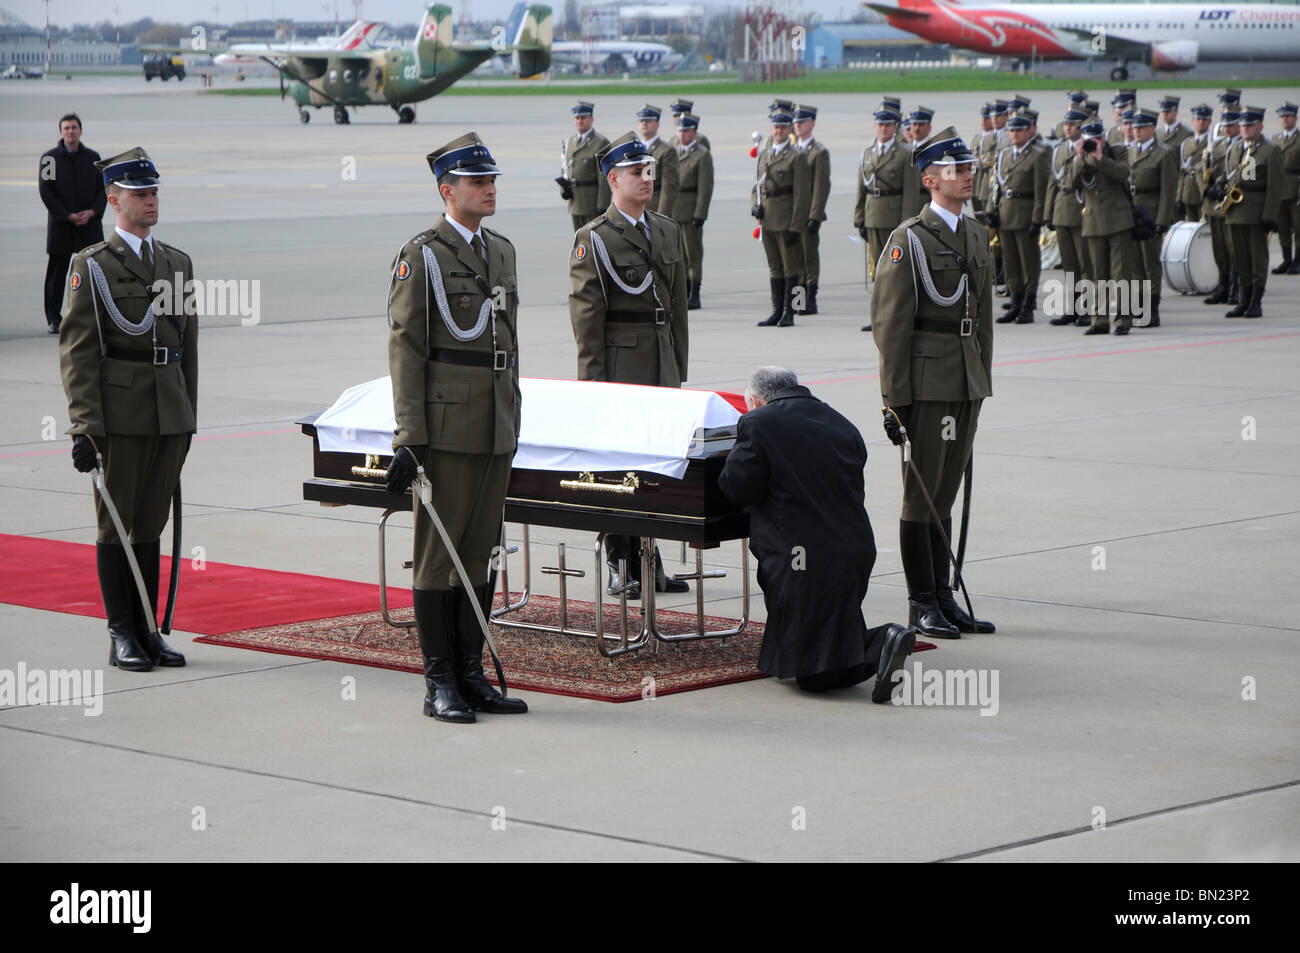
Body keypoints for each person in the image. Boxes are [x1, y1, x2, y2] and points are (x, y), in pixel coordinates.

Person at [384, 132, 528, 724]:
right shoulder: (421, 256)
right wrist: (410, 438)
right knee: (437, 557)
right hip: (444, 431)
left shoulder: (503, 252)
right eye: (477, 181)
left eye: (492, 180)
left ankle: (472, 674)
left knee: (481, 554)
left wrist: (512, 414)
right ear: (448, 190)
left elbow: (507, 345)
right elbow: (406, 349)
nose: (489, 189)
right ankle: (438, 681)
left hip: (495, 424)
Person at [59, 146, 195, 672]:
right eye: (140, 193)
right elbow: (79, 351)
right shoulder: (91, 266)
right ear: (114, 201)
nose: (151, 201)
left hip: (168, 413)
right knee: (116, 524)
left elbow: (188, 349)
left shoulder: (176, 263)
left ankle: (148, 629)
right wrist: (85, 427)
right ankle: (122, 633)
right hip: (120, 414)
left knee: (150, 524)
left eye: (154, 191)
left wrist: (189, 415)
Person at [717, 366, 916, 701]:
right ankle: (860, 647)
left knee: (814, 678)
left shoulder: (758, 422)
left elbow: (737, 488)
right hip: (853, 548)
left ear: (754, 399)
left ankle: (882, 642)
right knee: (826, 634)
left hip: (801, 556)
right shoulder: (840, 423)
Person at [870, 127, 996, 640]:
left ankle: (945, 597)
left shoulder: (973, 233)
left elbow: (982, 316)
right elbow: (890, 326)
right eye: (955, 169)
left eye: (968, 168)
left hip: (965, 381)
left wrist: (980, 377)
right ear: (929, 179)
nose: (967, 175)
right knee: (920, 498)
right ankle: (922, 601)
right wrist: (894, 401)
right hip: (925, 385)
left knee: (945, 492)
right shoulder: (909, 241)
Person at [569, 132, 690, 599]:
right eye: (637, 172)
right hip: (621, 368)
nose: (647, 178)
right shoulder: (593, 239)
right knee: (621, 472)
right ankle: (621, 561)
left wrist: (677, 367)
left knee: (654, 467)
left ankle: (650, 559)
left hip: (660, 365)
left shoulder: (667, 230)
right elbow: (587, 322)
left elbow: (676, 308)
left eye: (650, 171)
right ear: (613, 179)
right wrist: (593, 389)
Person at [1064, 120, 1141, 336]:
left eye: (1096, 139)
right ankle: (1100, 320)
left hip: (1119, 220)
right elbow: (1070, 184)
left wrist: (1099, 157)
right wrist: (1081, 158)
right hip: (1093, 222)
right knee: (1099, 275)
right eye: (1089, 140)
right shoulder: (1079, 156)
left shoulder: (1117, 151)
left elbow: (1123, 173)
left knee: (1121, 273)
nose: (1092, 143)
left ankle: (1123, 320)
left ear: (1103, 137)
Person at [854, 105, 921, 332]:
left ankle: (899, 316)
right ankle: (879, 316)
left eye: (888, 125)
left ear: (895, 128)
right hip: (873, 216)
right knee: (878, 271)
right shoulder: (867, 153)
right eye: (880, 124)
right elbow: (861, 189)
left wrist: (906, 224)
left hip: (894, 219)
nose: (883, 128)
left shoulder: (905, 153)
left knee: (898, 270)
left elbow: (911, 194)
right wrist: (859, 218)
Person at [39, 113, 106, 334]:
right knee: (57, 274)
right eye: (66, 128)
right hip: (62, 226)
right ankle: (53, 318)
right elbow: (46, 192)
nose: (70, 132)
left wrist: (93, 212)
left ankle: (90, 314)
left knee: (91, 270)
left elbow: (103, 189)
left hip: (89, 225)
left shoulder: (94, 158)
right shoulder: (49, 159)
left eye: (74, 128)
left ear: (81, 131)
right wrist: (66, 215)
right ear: (61, 132)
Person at [1222, 106, 1283, 318]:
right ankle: (1243, 299)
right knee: (1239, 258)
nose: (1245, 128)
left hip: (1257, 212)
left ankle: (1256, 301)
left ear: (1260, 125)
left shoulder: (1270, 150)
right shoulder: (1236, 148)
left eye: (1250, 125)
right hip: (1235, 211)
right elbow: (1231, 175)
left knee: (1257, 258)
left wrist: (1270, 214)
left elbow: (1276, 187)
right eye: (1243, 125)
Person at [752, 105, 809, 327]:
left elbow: (802, 195)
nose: (778, 131)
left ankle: (792, 311)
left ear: (789, 130)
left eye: (782, 127)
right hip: (767, 219)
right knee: (775, 266)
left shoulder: (796, 157)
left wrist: (796, 226)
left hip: (786, 219)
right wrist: (754, 206)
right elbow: (756, 186)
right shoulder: (765, 154)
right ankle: (777, 310)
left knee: (792, 268)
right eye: (775, 127)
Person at [992, 108, 1050, 324]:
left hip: (1026, 215)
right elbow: (997, 185)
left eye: (1019, 130)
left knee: (1028, 262)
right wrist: (994, 210)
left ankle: (1028, 304)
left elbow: (1041, 190)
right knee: (1011, 261)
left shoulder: (1038, 155)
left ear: (1029, 131)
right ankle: (1015, 302)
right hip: (1006, 213)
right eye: (1012, 130)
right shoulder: (1005, 154)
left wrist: (1038, 219)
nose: (1014, 134)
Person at [1127, 107, 1178, 327]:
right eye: (1134, 127)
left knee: (1150, 264)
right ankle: (1140, 307)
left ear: (1151, 128)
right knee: (1135, 264)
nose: (1136, 131)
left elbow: (1168, 190)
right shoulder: (1130, 151)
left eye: (1141, 127)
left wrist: (1162, 221)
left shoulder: (1163, 153)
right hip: (1131, 214)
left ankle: (1153, 308)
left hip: (1151, 214)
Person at [1045, 108, 1091, 326]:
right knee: (1069, 264)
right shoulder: (1060, 149)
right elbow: (1052, 184)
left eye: (1073, 125)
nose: (1068, 128)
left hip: (1080, 208)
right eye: (1067, 124)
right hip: (1062, 209)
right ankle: (1072, 308)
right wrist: (1048, 214)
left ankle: (1087, 308)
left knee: (1085, 264)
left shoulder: (1087, 148)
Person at [669, 112, 712, 311]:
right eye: (680, 130)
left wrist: (700, 213)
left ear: (694, 132)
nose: (682, 134)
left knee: (693, 254)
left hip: (691, 210)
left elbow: (705, 187)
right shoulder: (673, 152)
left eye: (686, 131)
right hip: (674, 210)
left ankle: (695, 293)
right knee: (679, 255)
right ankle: (683, 291)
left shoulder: (701, 154)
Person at [1202, 109, 1242, 306]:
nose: (1227, 129)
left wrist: (1224, 187)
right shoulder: (1216, 146)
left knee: (1233, 248)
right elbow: (1203, 171)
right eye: (1225, 125)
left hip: (1233, 205)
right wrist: (1208, 188)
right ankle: (1223, 284)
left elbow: (1246, 176)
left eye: (1231, 125)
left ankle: (1236, 286)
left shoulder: (1245, 147)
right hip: (1214, 205)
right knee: (1219, 248)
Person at [793, 104, 830, 315]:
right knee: (794, 260)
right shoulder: (791, 150)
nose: (797, 125)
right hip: (792, 215)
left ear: (812, 124)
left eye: (802, 122)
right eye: (796, 122)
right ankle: (798, 301)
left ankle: (810, 299)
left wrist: (815, 216)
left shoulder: (818, 153)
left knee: (808, 258)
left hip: (808, 214)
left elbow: (821, 186)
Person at [557, 100, 610, 232]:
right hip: (575, 201)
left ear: (591, 119)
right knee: (579, 241)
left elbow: (604, 177)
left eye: (583, 117)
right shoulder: (571, 141)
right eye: (577, 117)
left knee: (593, 240)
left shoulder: (600, 142)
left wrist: (603, 205)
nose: (580, 121)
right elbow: (566, 167)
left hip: (591, 204)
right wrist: (563, 188)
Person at [1271, 102, 1299, 275]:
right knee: (1282, 227)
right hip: (1279, 189)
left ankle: (1298, 260)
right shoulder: (1274, 140)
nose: (1285, 119)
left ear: (1295, 118)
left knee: (1298, 227)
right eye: (1282, 116)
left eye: (1288, 116)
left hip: (1296, 188)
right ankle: (1286, 259)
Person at [636, 104, 678, 216]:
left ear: (657, 123)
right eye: (641, 120)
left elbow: (668, 188)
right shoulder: (635, 149)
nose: (644, 123)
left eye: (648, 120)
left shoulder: (666, 151)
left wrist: (662, 216)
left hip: (654, 209)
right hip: (636, 210)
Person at [1176, 103, 1214, 224]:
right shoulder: (1186, 143)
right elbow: (1182, 172)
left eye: (1204, 119)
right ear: (1193, 121)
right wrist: (1178, 197)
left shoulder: (1212, 142)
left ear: (1209, 122)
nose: (1201, 122)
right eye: (1198, 119)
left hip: (1203, 190)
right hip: (1188, 190)